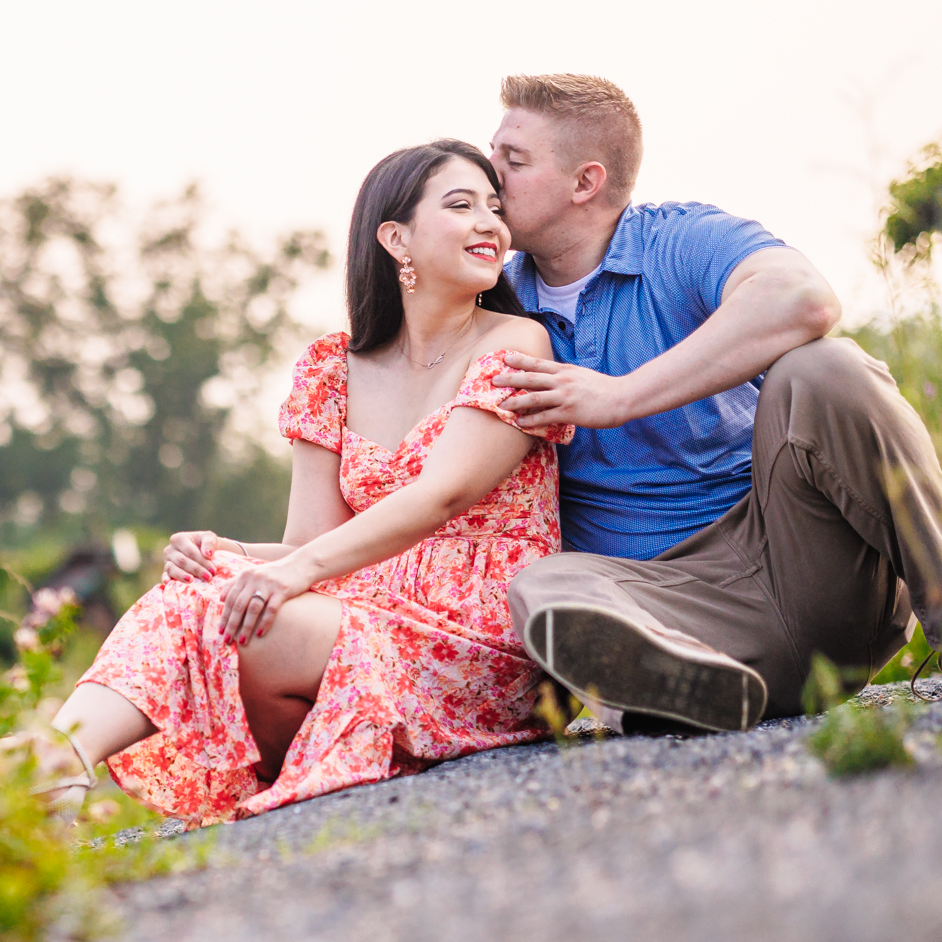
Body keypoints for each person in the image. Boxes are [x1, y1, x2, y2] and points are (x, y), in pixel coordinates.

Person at [31, 141, 573, 826]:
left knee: (221, 604)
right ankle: (51, 765)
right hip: (357, 613)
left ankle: (48, 765)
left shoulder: (516, 345)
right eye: (461, 205)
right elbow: (311, 541)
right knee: (199, 587)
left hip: (474, 640)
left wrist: (285, 576)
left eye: (495, 208)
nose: (491, 224)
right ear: (394, 238)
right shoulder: (332, 369)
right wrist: (223, 549)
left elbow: (443, 495)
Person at [487, 73, 942, 732]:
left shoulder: (680, 240)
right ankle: (688, 684)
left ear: (584, 183)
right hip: (666, 605)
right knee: (543, 588)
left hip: (804, 568)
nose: (488, 172)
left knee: (825, 368)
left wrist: (618, 397)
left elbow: (803, 299)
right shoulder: (490, 296)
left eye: (512, 160)